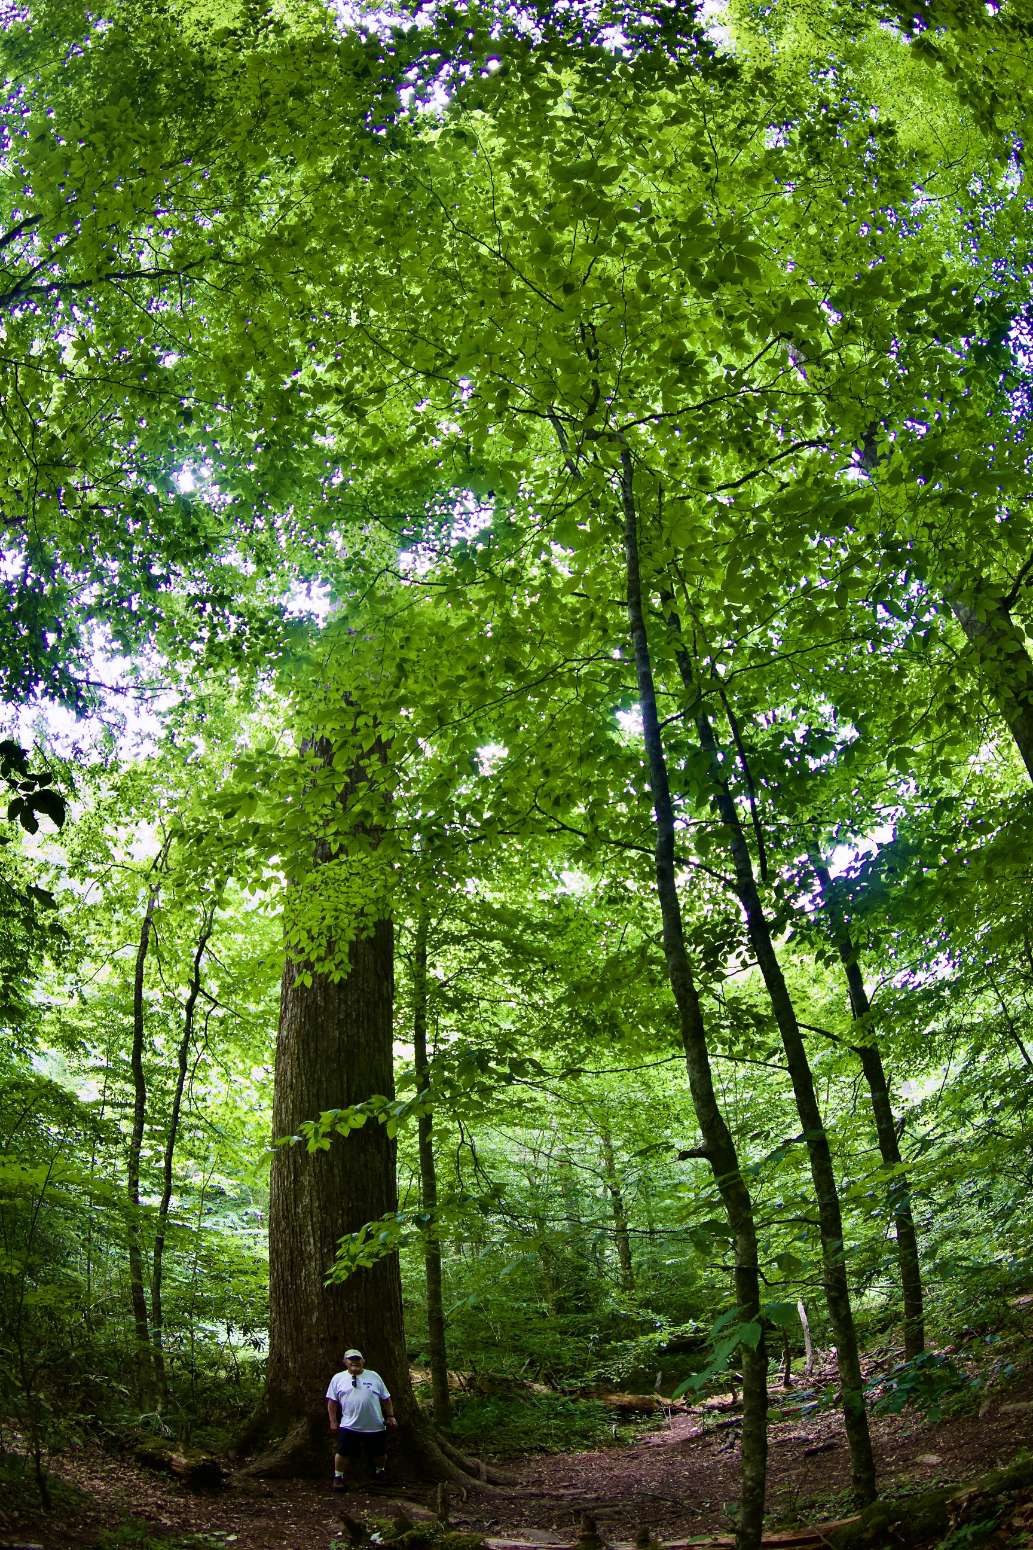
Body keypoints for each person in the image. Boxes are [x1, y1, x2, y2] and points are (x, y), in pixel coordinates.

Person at [326, 1347, 397, 1490]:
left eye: (358, 1359)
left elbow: (386, 1398)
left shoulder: (374, 1376)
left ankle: (380, 1472)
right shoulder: (338, 1378)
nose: (355, 1362)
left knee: (380, 1452)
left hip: (375, 1424)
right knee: (343, 1452)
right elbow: (332, 1402)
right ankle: (338, 1477)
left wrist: (390, 1416)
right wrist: (333, 1421)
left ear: (363, 1361)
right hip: (349, 1425)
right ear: (345, 1362)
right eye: (351, 1360)